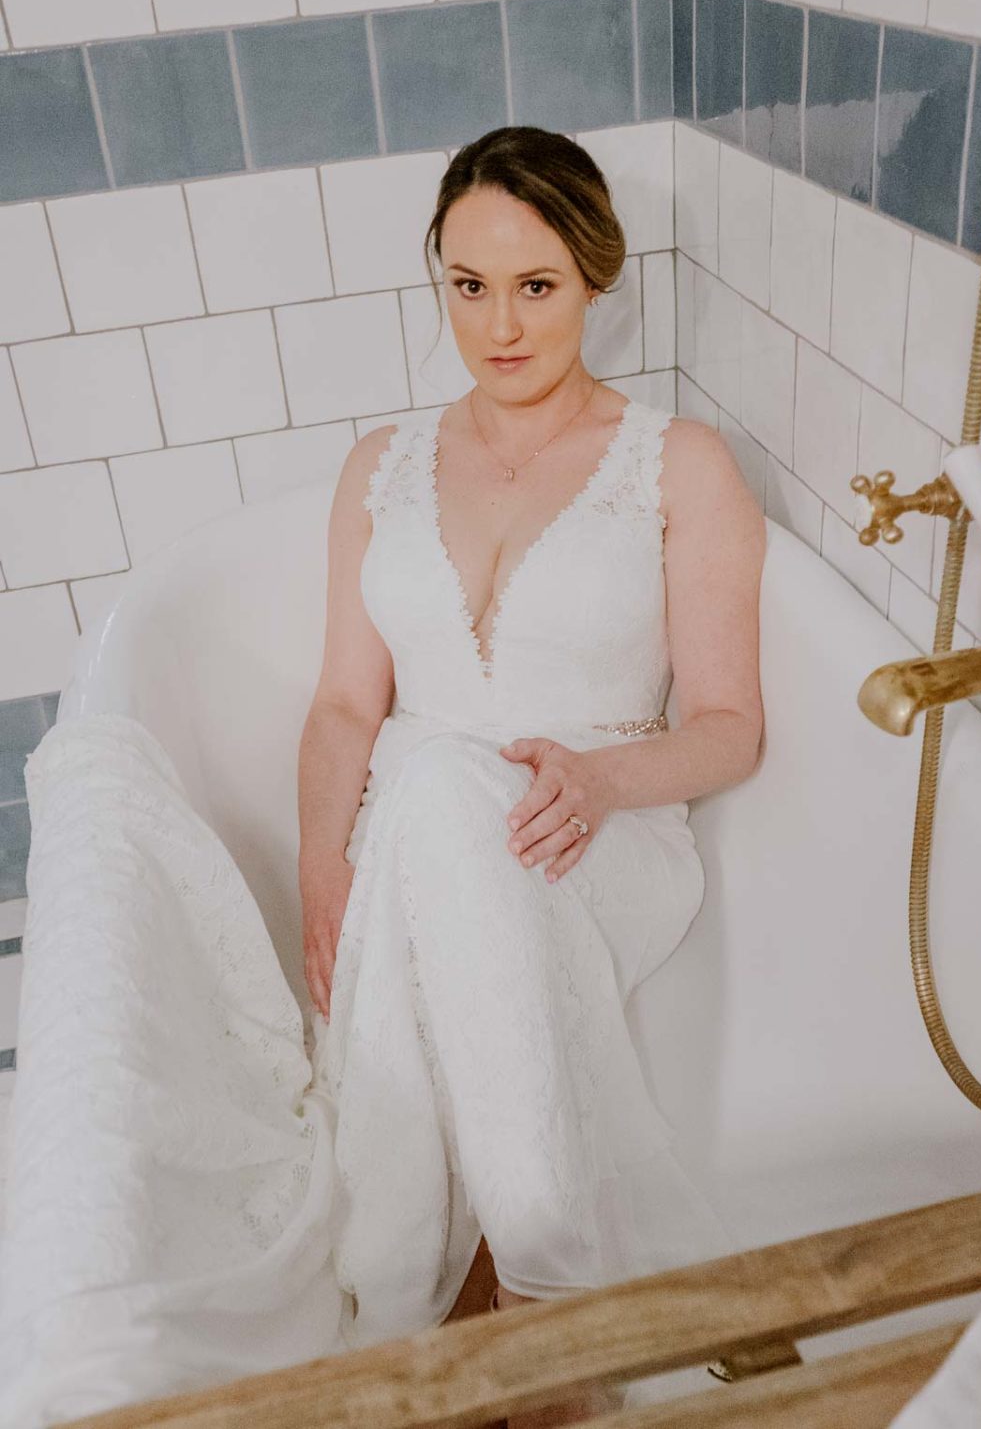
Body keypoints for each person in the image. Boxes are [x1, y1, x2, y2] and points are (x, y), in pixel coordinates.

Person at [298, 124, 766, 1426]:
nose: (500, 325)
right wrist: (320, 870)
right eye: (469, 285)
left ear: (596, 277)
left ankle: (471, 1308)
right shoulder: (377, 468)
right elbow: (344, 706)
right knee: (438, 797)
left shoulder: (679, 466)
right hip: (424, 833)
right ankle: (530, 1311)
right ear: (440, 280)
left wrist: (608, 786)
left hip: (599, 832)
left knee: (441, 801)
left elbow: (730, 726)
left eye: (537, 285)